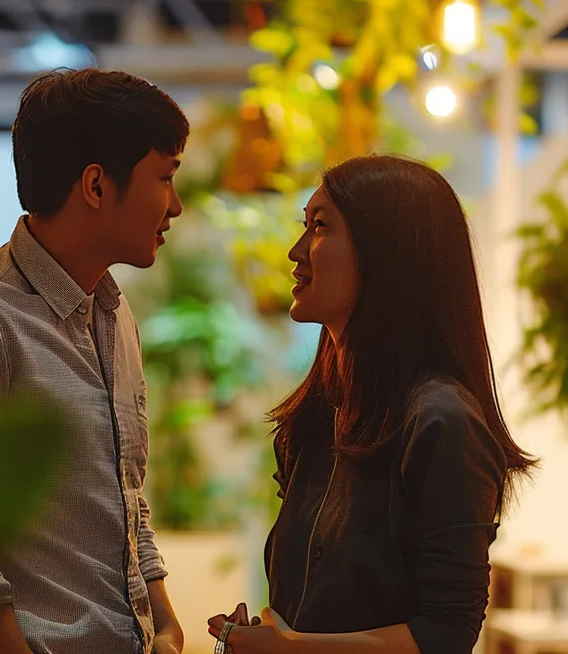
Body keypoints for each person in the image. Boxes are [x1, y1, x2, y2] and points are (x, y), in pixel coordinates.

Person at [0, 68, 189, 654]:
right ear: (96, 186)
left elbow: (124, 497)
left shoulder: (112, 314)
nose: (176, 205)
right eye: (165, 177)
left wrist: (163, 621)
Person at [207, 156, 537, 654]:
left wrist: (288, 649)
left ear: (385, 250)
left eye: (319, 227)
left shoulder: (443, 423)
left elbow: (446, 634)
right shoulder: (316, 419)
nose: (296, 252)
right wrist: (268, 633)